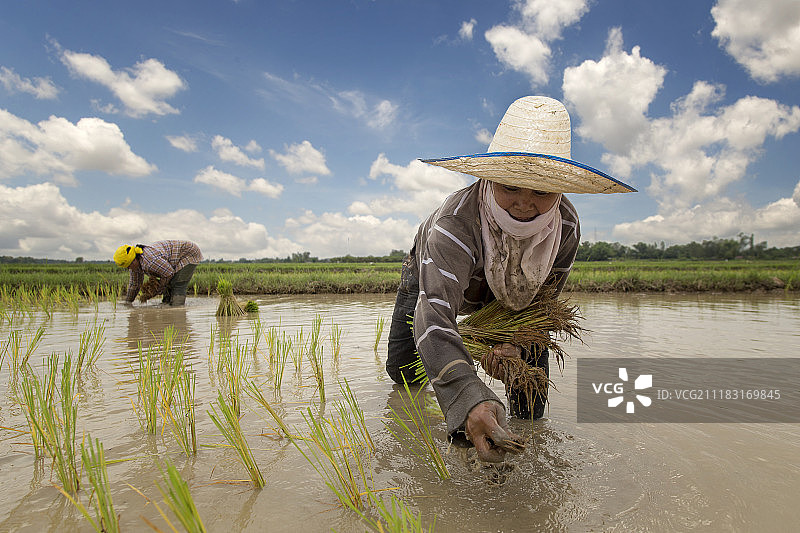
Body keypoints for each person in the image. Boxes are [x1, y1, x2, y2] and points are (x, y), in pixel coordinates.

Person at [385, 96, 636, 462]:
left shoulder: (565, 226)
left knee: (530, 400)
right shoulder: (454, 224)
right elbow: (435, 316)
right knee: (405, 375)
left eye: (541, 191)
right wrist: (469, 398)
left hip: (516, 301)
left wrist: (512, 346)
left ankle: (529, 450)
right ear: (487, 178)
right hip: (430, 279)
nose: (523, 203)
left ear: (560, 191)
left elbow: (543, 307)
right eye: (510, 186)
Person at [113, 240, 203, 306]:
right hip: (172, 260)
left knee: (177, 283)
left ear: (134, 260)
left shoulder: (150, 261)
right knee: (168, 285)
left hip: (188, 253)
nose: (129, 268)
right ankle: (167, 306)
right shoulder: (135, 265)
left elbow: (168, 273)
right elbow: (134, 284)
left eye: (129, 266)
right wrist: (128, 302)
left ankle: (178, 309)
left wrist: (157, 290)